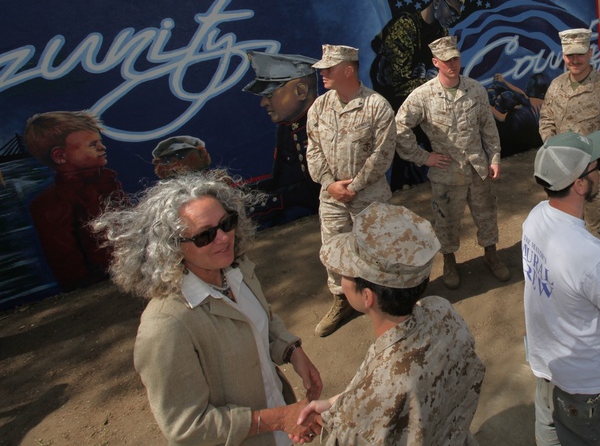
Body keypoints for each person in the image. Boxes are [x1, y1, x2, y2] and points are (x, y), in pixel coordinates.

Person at [90, 172, 323, 445]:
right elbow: (187, 426)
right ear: (170, 248)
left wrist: (293, 352)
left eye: (227, 223)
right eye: (204, 236)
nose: (223, 238)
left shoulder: (237, 271)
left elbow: (261, 320)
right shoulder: (166, 326)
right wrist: (278, 418)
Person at [295, 202, 485, 445]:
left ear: (367, 296)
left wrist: (342, 416)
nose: (342, 279)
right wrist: (335, 405)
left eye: (346, 272)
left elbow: (378, 398)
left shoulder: (363, 411)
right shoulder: (441, 311)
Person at [525, 131, 600, 445]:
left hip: (545, 364)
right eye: (595, 166)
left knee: (548, 431)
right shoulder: (590, 254)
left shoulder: (533, 219)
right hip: (585, 385)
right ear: (580, 184)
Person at [395, 35, 508, 289]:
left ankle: (491, 254)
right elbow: (399, 128)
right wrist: (424, 157)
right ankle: (449, 261)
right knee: (446, 222)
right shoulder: (423, 96)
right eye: (446, 60)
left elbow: (488, 128)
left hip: (478, 169)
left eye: (455, 58)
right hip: (446, 174)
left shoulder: (475, 89)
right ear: (436, 62)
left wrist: (495, 158)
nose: (452, 64)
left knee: (487, 214)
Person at [306, 45, 396, 337]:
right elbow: (313, 150)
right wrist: (331, 184)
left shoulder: (377, 106)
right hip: (332, 198)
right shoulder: (319, 108)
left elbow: (382, 155)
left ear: (349, 70)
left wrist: (354, 187)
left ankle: (386, 304)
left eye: (328, 69)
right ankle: (341, 301)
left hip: (369, 197)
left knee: (377, 251)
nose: (322, 74)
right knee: (333, 251)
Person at [538, 28, 600, 240]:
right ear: (563, 55)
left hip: (595, 175)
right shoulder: (556, 85)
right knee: (566, 226)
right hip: (562, 176)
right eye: (570, 55)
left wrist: (588, 149)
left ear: (590, 53)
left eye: (580, 53)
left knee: (598, 231)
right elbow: (546, 119)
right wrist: (554, 147)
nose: (575, 60)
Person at [23, 110, 124, 290]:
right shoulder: (51, 204)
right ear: (60, 156)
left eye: (100, 142)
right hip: (103, 287)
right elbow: (67, 262)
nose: (103, 148)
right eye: (93, 145)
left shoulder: (107, 183)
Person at [244, 51, 321, 226]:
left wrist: (270, 202)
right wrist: (244, 194)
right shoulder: (288, 128)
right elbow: (283, 181)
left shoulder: (324, 124)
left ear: (301, 91)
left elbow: (316, 190)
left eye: (270, 94)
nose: (263, 102)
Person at [369, 0, 465, 111]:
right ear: (437, 1)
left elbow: (447, 74)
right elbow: (398, 84)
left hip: (421, 104)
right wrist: (430, 82)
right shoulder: (405, 26)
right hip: (391, 106)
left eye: (457, 15)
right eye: (452, 11)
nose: (453, 18)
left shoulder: (442, 32)